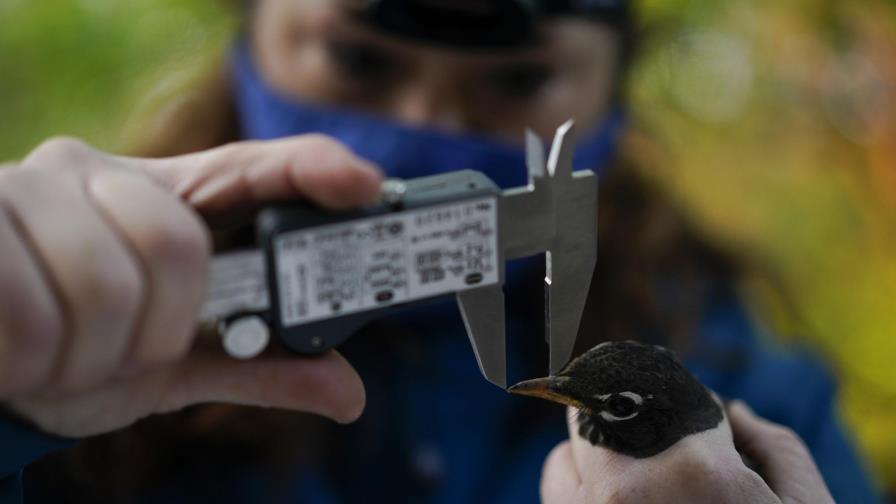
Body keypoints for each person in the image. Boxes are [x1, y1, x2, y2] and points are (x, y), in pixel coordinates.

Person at [0, 0, 881, 502]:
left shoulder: (756, 415)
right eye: (357, 58)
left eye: (518, 79)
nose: (428, 127)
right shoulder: (62, 333)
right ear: (249, 33)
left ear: (612, 92)